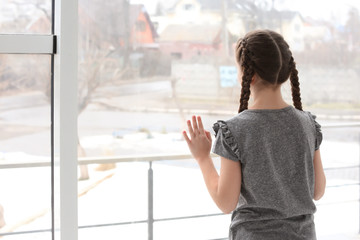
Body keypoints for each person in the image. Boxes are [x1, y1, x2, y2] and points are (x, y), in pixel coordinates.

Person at [183, 29, 326, 240]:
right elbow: (318, 190)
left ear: (249, 76)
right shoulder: (307, 124)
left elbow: (225, 202)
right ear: (286, 72)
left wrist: (203, 157)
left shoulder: (234, 131)